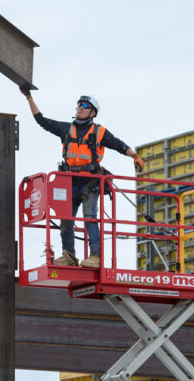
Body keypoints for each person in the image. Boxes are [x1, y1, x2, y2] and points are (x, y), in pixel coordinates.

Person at [23, 91, 146, 268]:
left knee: (90, 218)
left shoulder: (99, 132)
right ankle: (69, 255)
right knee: (66, 220)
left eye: (86, 106)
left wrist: (134, 156)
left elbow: (118, 145)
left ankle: (95, 256)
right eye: (79, 105)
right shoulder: (66, 129)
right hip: (69, 181)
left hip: (90, 182)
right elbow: (42, 121)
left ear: (93, 113)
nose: (80, 108)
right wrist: (29, 98)